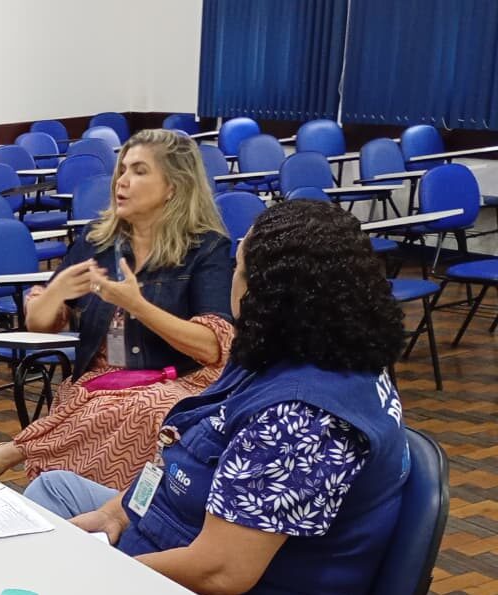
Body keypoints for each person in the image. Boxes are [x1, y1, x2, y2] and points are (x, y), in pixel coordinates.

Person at [24, 200, 409, 594]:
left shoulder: (301, 418)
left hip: (197, 570)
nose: (231, 278)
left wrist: (101, 574)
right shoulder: (301, 349)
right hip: (174, 523)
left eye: (237, 268)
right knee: (53, 489)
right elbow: (182, 452)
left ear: (268, 293)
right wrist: (116, 513)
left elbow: (220, 572)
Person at [0, 128, 234, 489]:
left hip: (179, 379)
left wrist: (137, 306)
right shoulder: (98, 239)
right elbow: (40, 325)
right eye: (122, 170)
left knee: (153, 408)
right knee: (122, 406)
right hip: (100, 384)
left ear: (174, 186)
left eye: (139, 171)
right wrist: (54, 293)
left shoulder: (206, 248)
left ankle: (21, 452)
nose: (122, 182)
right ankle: (76, 502)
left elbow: (210, 347)